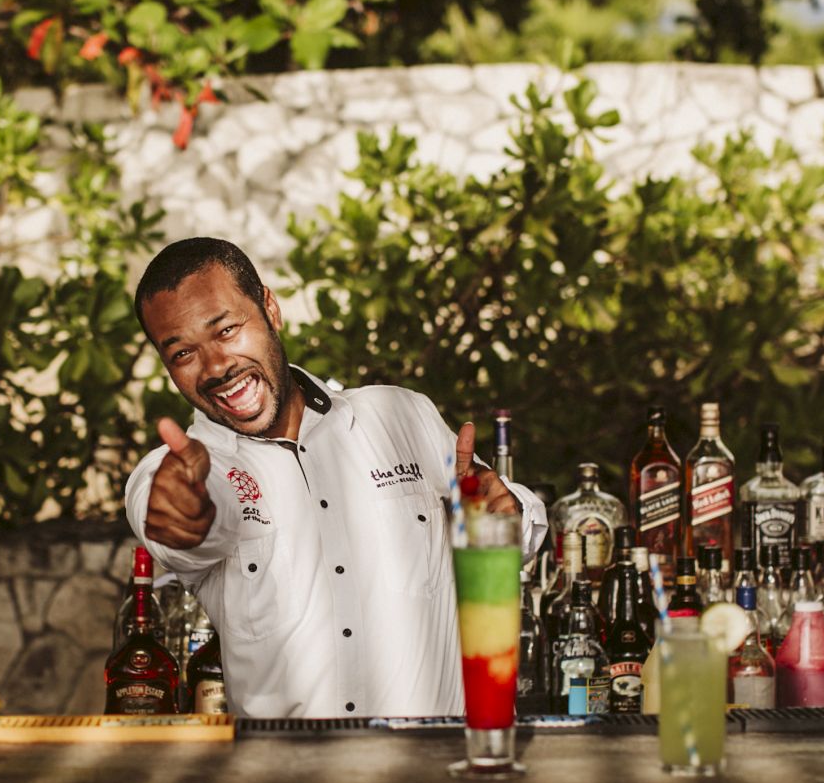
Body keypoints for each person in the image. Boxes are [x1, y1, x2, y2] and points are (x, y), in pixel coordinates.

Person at [123, 237, 547, 719]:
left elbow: (513, 528)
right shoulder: (185, 472)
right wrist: (181, 514)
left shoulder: (400, 416)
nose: (216, 367)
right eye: (182, 354)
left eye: (226, 331)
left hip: (433, 776)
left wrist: (505, 512)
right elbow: (175, 519)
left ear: (269, 309)